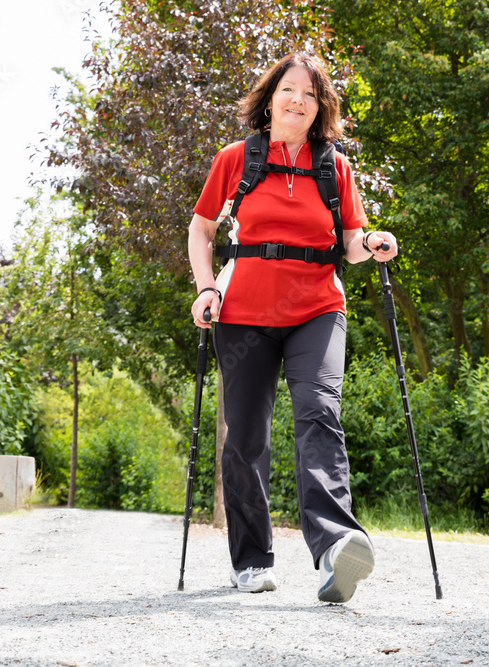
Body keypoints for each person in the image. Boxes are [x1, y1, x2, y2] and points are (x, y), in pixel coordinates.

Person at [187, 52, 398, 604]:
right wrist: (206, 288)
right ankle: (252, 559)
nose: (298, 100)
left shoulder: (335, 167)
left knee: (320, 412)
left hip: (317, 309)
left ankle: (336, 547)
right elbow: (202, 229)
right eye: (289, 89)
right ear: (270, 98)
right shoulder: (236, 158)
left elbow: (350, 242)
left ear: (320, 106)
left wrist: (370, 242)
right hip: (243, 314)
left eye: (310, 93)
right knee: (246, 437)